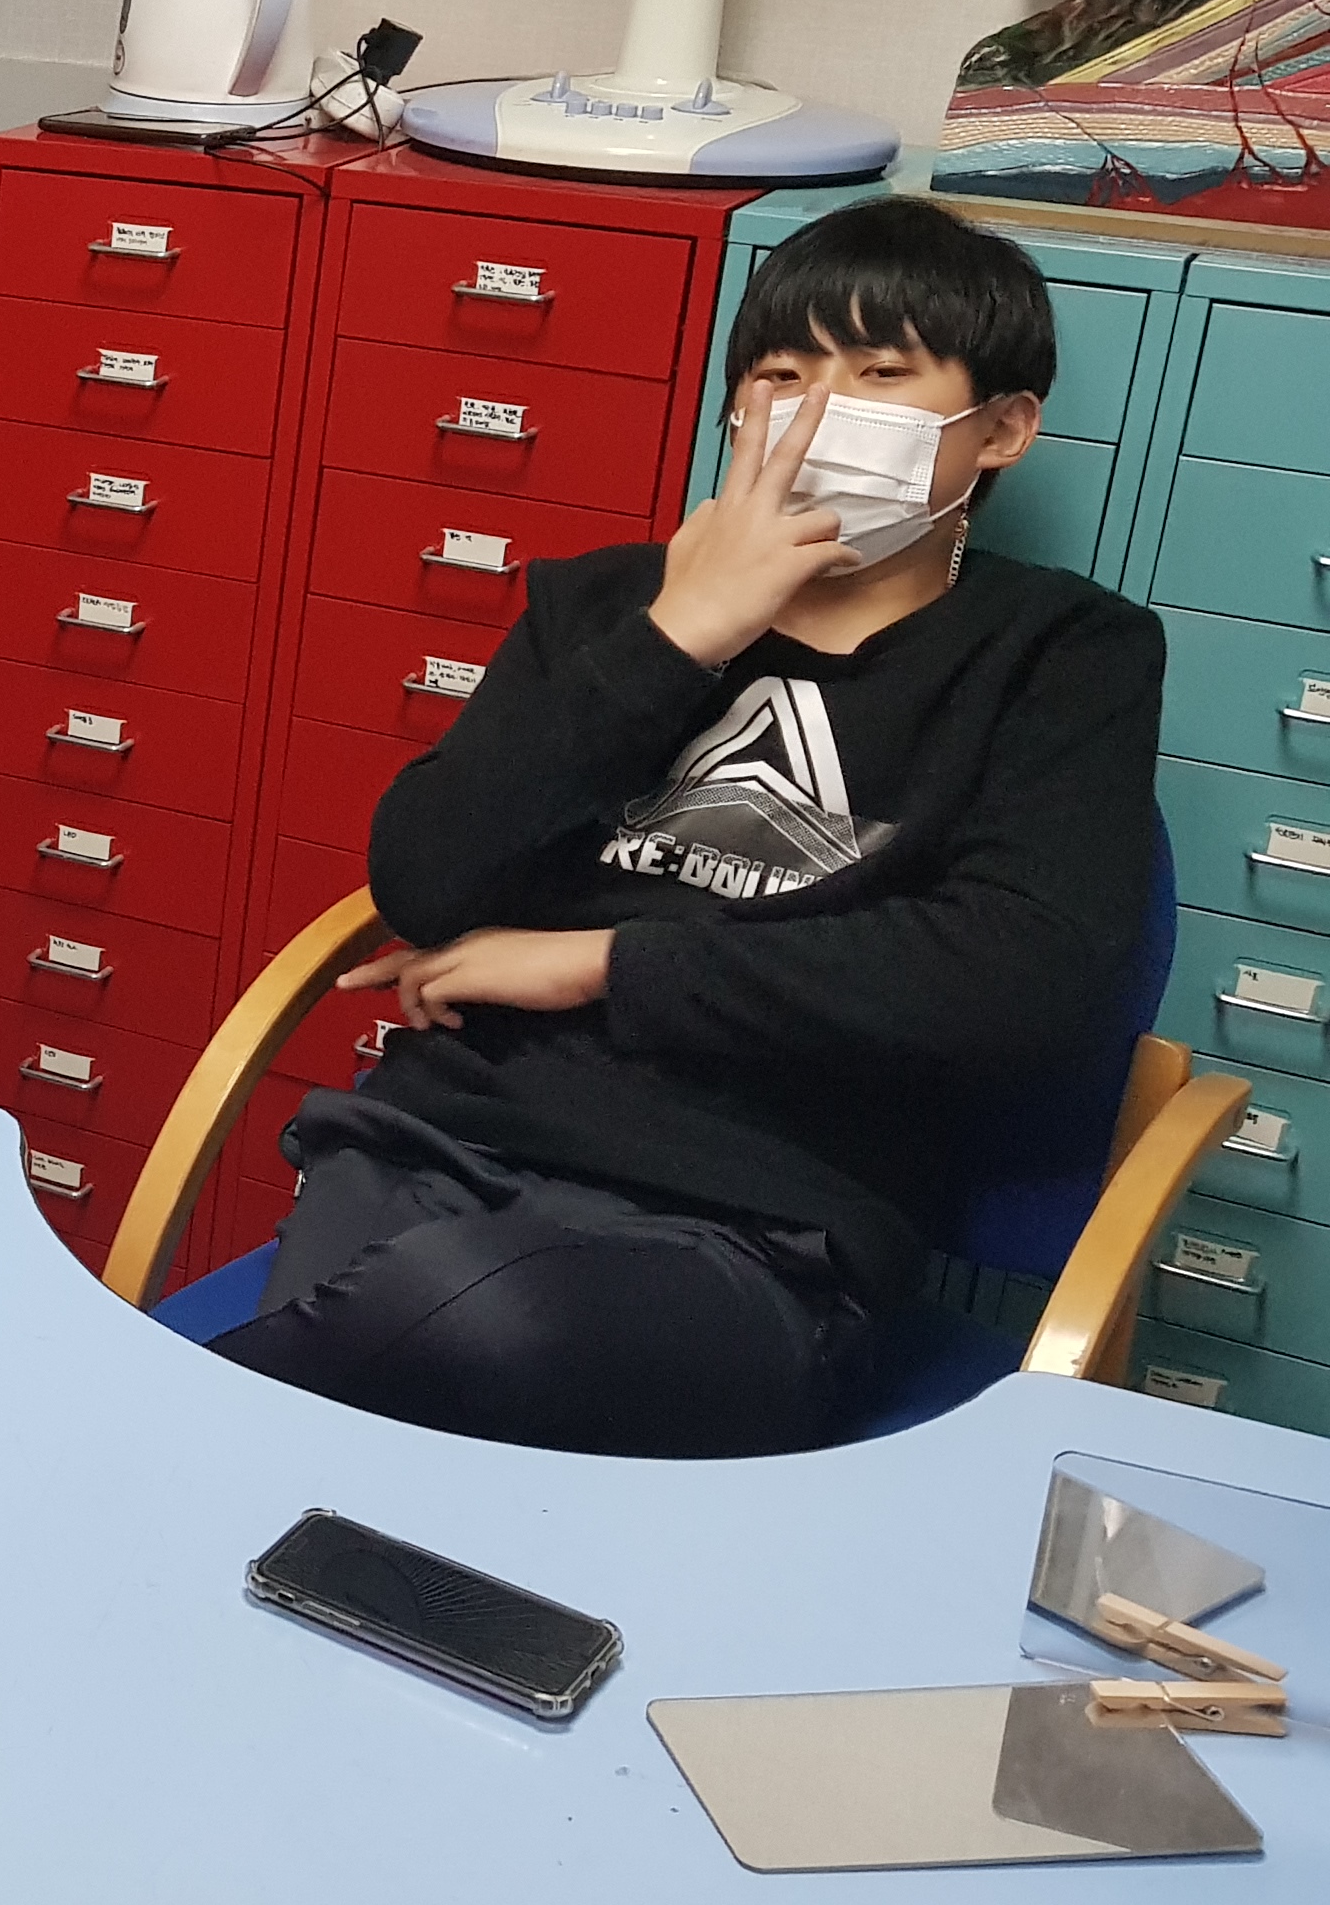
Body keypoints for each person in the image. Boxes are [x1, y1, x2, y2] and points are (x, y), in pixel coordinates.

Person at [215, 197, 1164, 1457]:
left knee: (450, 1328)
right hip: (443, 1143)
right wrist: (683, 636)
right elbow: (426, 877)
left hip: (763, 1223)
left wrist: (604, 964)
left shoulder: (1061, 655)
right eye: (783, 373)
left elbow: (1024, 978)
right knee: (388, 1391)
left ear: (1002, 429)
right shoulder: (608, 605)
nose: (818, 412)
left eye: (881, 374)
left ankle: (122, 1421)